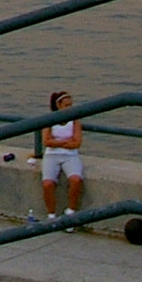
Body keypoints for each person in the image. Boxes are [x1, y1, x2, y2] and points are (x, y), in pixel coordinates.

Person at [37, 90, 84, 222]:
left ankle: (71, 211)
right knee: (47, 184)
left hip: (70, 156)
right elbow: (46, 141)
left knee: (76, 180)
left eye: (71, 105)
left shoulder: (75, 121)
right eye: (66, 105)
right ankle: (51, 214)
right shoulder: (50, 119)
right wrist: (66, 142)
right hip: (52, 156)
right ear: (58, 105)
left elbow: (77, 143)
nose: (69, 108)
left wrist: (56, 142)